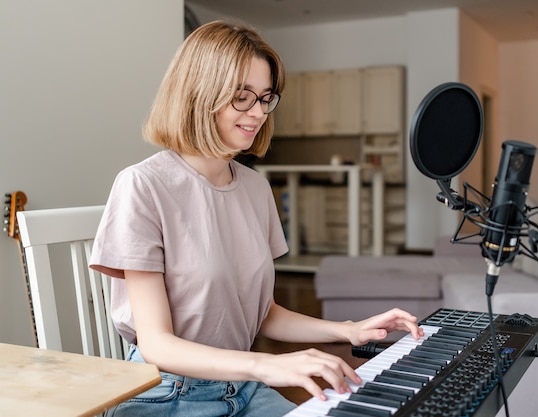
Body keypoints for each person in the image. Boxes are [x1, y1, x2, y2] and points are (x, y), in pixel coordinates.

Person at [89, 20, 424, 417]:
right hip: (167, 392)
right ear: (199, 93)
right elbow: (156, 343)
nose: (258, 113)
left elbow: (261, 313)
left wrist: (347, 330)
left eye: (265, 98)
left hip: (242, 388)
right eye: (242, 97)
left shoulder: (255, 188)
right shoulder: (143, 186)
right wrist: (268, 365)